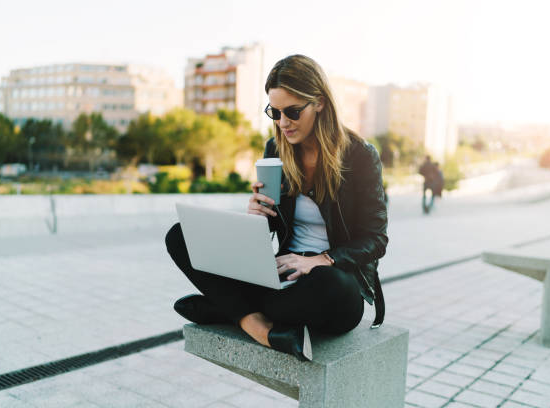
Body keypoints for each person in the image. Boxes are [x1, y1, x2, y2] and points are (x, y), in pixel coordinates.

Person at [165, 55, 388, 361]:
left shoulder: (360, 156)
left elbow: (376, 240)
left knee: (329, 284)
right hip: (281, 276)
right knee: (180, 235)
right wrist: (257, 215)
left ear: (319, 103)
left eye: (293, 112)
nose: (283, 123)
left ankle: (228, 307)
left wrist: (322, 260)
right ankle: (259, 326)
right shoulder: (276, 150)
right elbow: (271, 228)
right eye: (275, 112)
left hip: (335, 283)